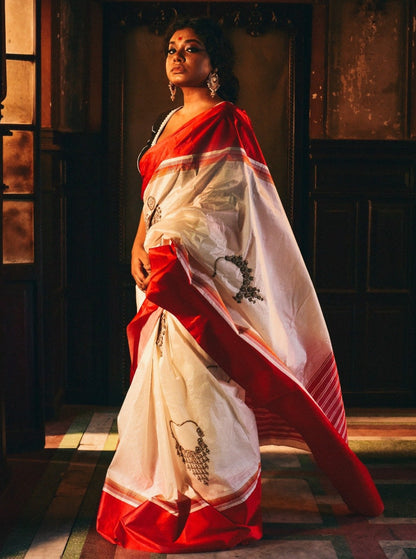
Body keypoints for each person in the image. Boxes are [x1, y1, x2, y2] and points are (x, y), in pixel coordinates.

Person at [96, 16, 383, 553]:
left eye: (192, 48)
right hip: (160, 271)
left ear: (215, 65)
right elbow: (154, 200)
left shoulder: (227, 120)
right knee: (159, 382)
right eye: (172, 49)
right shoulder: (164, 127)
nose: (178, 56)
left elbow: (228, 200)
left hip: (199, 274)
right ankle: (167, 493)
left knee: (208, 386)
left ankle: (221, 502)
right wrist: (140, 245)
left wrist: (176, 242)